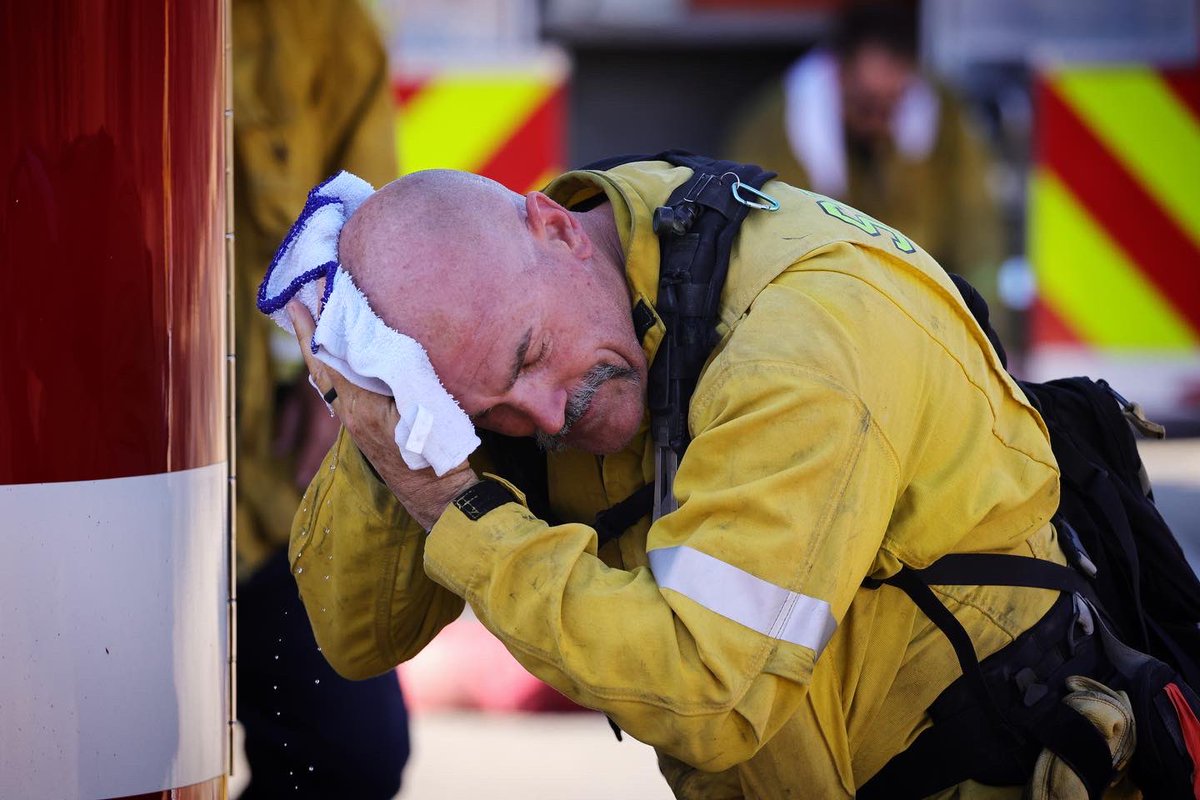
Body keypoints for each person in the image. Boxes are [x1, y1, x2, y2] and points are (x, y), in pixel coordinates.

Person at [274, 155, 1126, 798]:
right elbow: (358, 637)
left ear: (558, 229)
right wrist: (381, 414)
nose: (543, 414)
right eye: (483, 411)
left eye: (531, 356)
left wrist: (448, 500)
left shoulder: (803, 345)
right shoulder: (516, 321)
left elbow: (709, 695)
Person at [231, 0, 409, 796]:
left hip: (275, 473)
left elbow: (372, 219)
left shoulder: (326, 20)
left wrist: (336, 371)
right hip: (85, 474)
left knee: (347, 758)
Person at [726, 2, 1005, 320]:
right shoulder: (776, 129)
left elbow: (978, 234)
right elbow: (757, 246)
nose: (877, 121)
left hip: (923, 312)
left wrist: (986, 327)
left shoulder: (945, 120)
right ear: (837, 73)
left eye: (891, 105)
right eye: (866, 103)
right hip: (817, 313)